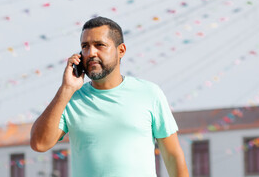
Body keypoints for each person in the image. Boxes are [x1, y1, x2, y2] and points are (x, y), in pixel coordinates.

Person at [30, 17, 189, 177]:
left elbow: (172, 156)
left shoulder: (149, 93)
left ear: (121, 51)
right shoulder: (70, 98)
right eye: (85, 47)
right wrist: (66, 89)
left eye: (100, 45)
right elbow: (39, 144)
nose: (91, 53)